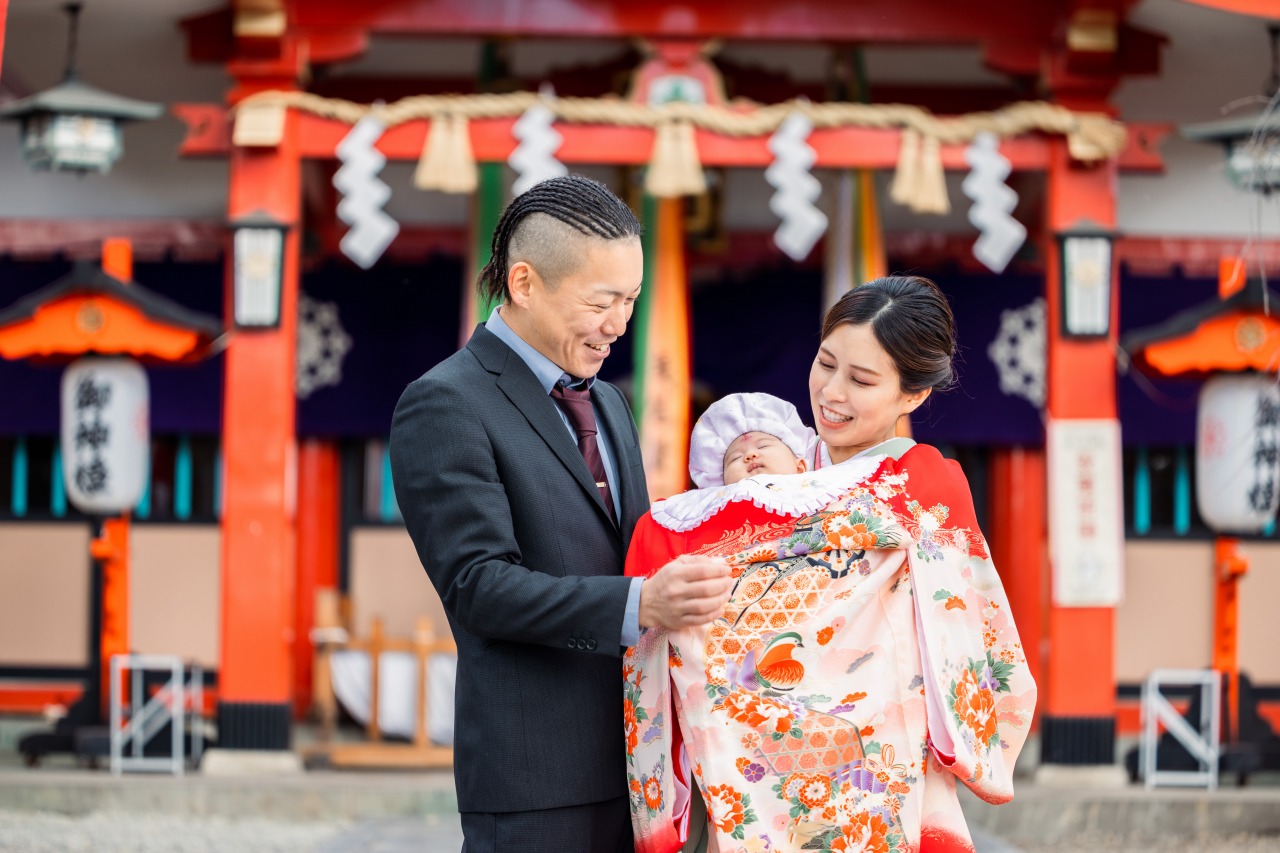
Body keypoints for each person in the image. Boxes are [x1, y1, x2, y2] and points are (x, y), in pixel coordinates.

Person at [624, 276, 1037, 853]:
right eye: (826, 364)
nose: (832, 392)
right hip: (741, 763)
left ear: (912, 396)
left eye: (862, 380)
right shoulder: (756, 477)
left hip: (875, 765)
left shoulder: (922, 485)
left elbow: (975, 629)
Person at [389, 175, 733, 853]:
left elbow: (635, 548)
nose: (619, 324)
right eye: (602, 300)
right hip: (534, 779)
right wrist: (642, 601)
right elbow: (480, 586)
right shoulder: (445, 402)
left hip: (643, 761)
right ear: (524, 283)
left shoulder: (608, 402)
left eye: (631, 301)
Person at [688, 392, 813, 489]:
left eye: (763, 446)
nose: (749, 455)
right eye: (735, 458)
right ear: (721, 485)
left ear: (800, 467)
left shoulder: (822, 496)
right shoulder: (716, 516)